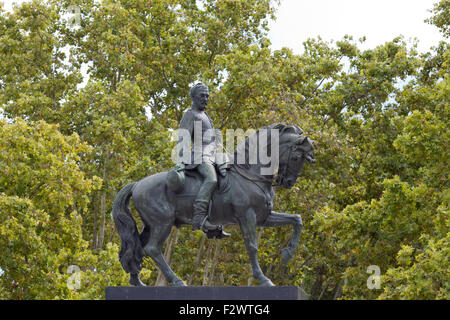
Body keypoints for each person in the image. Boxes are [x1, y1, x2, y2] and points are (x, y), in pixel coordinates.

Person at [176, 82, 230, 239]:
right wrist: (180, 161)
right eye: (202, 96)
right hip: (199, 156)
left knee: (230, 176)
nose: (205, 99)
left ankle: (215, 221)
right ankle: (199, 218)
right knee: (212, 179)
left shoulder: (206, 116)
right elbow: (183, 138)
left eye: (207, 96)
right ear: (193, 97)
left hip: (212, 154)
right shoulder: (190, 114)